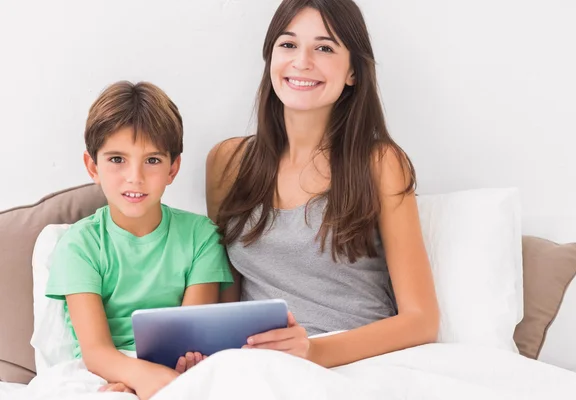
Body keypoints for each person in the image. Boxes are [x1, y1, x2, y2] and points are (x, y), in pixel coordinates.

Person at [206, 0, 440, 368]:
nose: (302, 61)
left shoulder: (379, 164)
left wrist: (314, 353)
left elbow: (422, 320)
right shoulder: (228, 163)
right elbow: (227, 301)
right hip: (259, 367)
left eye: (324, 48)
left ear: (352, 72)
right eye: (288, 44)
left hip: (356, 365)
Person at [45, 81, 233, 399]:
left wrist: (161, 376)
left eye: (153, 160)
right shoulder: (79, 245)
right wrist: (137, 377)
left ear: (173, 168)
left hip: (179, 366)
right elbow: (96, 352)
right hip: (103, 372)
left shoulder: (201, 236)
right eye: (117, 159)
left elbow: (190, 335)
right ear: (93, 166)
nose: (135, 176)